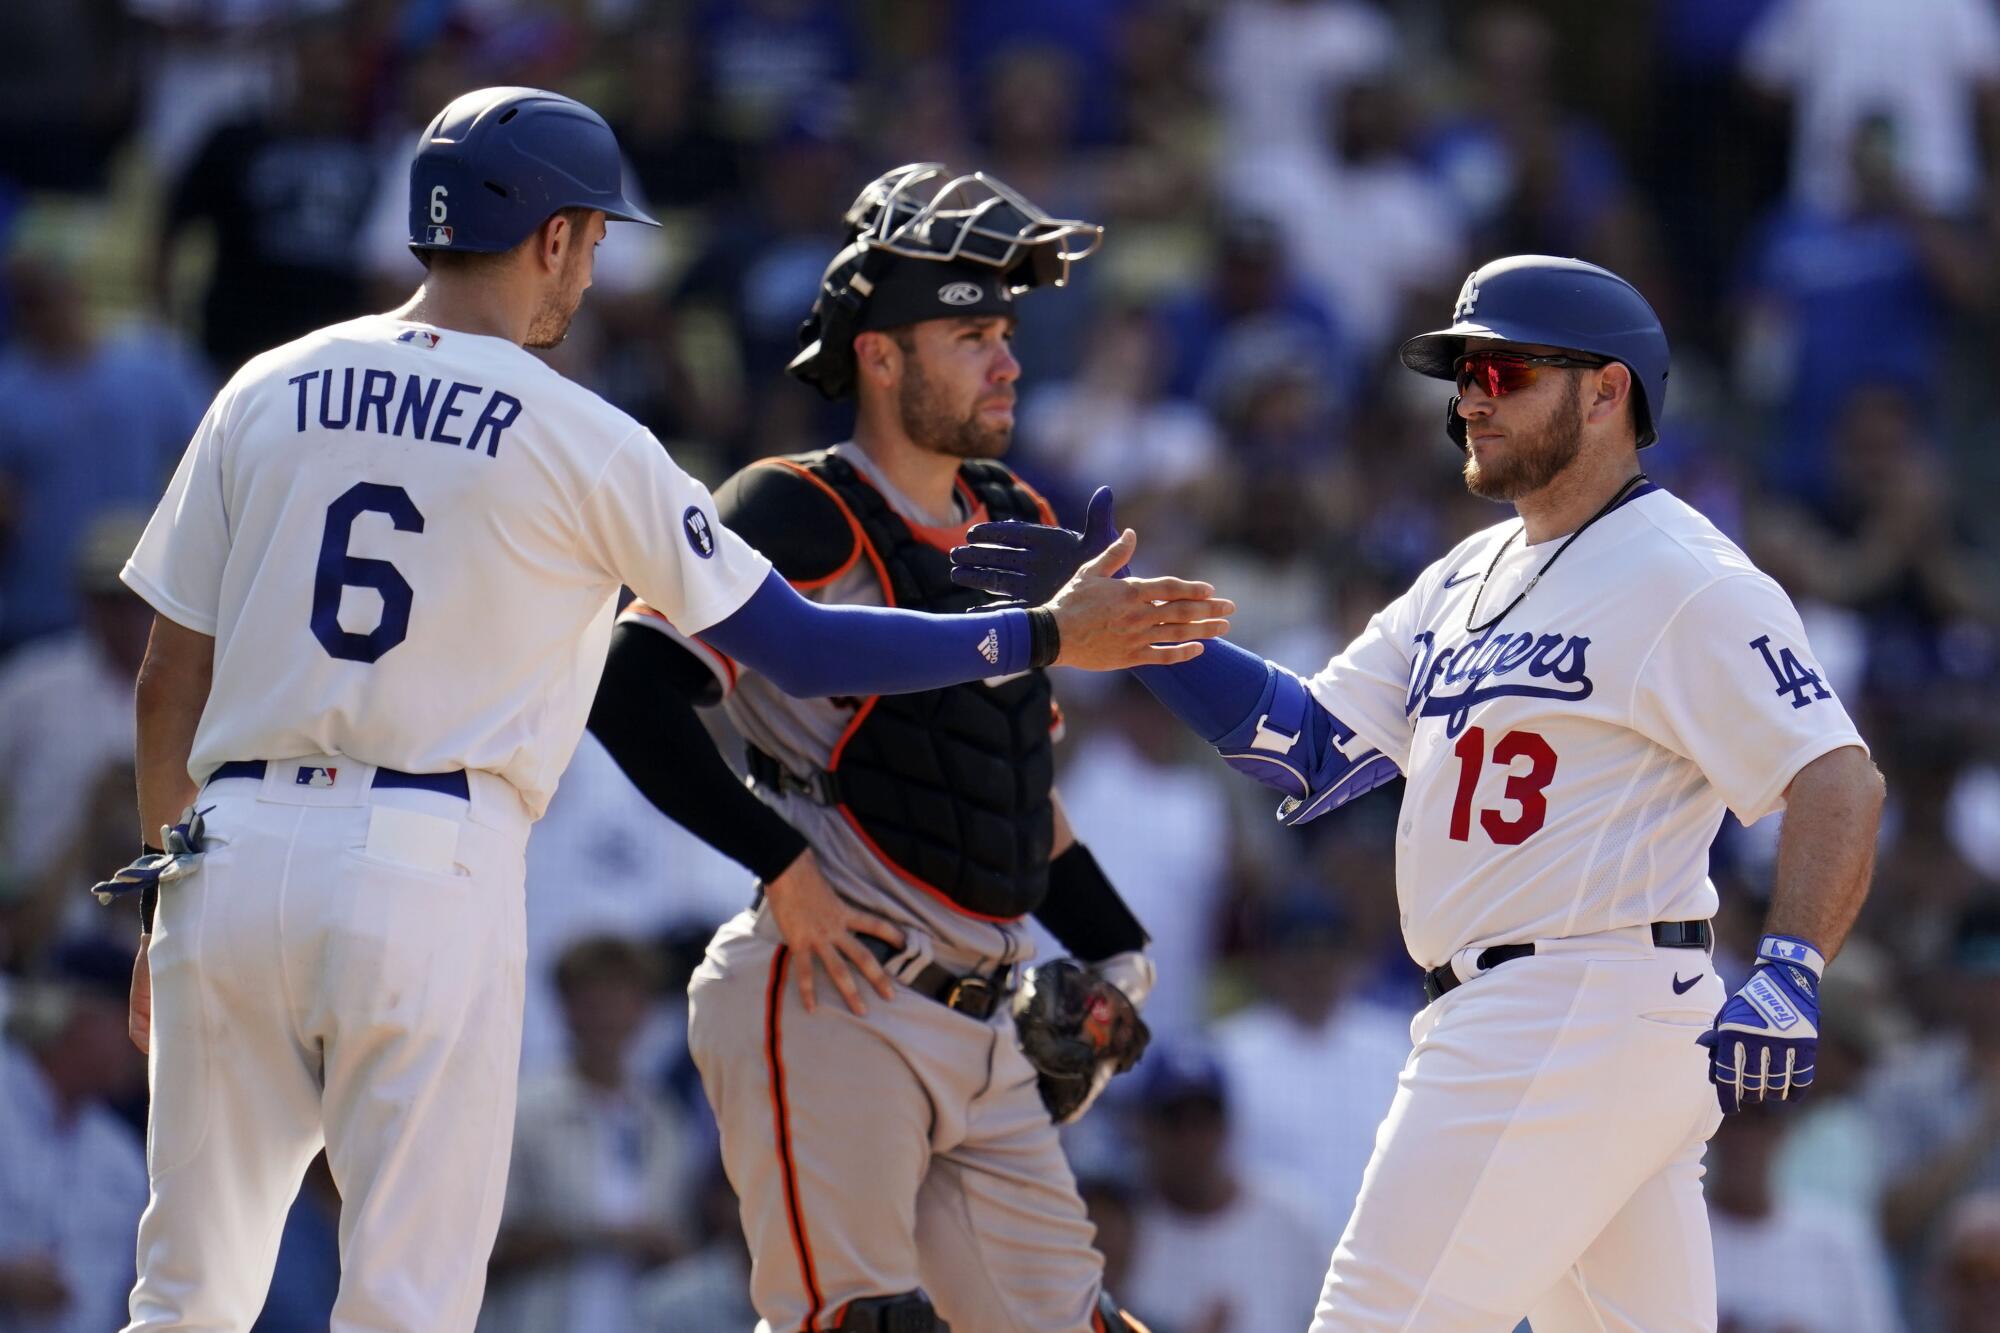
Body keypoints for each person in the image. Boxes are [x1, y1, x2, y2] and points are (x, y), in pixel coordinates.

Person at [99, 92, 1229, 1333]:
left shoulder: (267, 384)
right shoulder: (576, 430)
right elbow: (789, 642)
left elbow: (168, 673)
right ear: (553, 235)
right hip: (426, 852)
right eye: (589, 242)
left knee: (185, 1295)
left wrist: (168, 891)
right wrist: (1047, 634)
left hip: (232, 841)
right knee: (405, 1301)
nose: (589, 273)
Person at [953, 252, 1886, 1330]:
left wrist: (1790, 965)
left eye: (1505, 374)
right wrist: (1138, 630)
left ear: (1605, 391)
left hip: (1567, 1003)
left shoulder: (1687, 575)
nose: (1470, 400)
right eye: (1462, 377)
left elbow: (1838, 777)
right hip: (1543, 1014)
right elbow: (1305, 747)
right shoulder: (1463, 572)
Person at [588, 161, 1159, 1333]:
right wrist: (775, 862)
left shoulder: (1015, 518)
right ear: (880, 353)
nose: (1005, 359)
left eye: (1004, 330)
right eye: (968, 332)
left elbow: (1008, 783)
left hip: (984, 1016)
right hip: (833, 988)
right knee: (859, 1322)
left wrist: (1116, 954)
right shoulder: (791, 505)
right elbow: (629, 688)